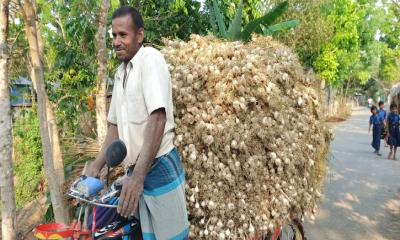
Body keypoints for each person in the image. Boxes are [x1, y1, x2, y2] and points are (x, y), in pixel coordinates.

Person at [85, 6, 189, 239]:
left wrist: (138, 178)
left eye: (123, 35)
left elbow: (158, 117)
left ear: (139, 36)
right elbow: (114, 126)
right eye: (113, 35)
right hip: (136, 171)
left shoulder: (149, 60)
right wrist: (96, 165)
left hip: (159, 167)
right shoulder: (121, 72)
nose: (117, 41)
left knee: (171, 236)